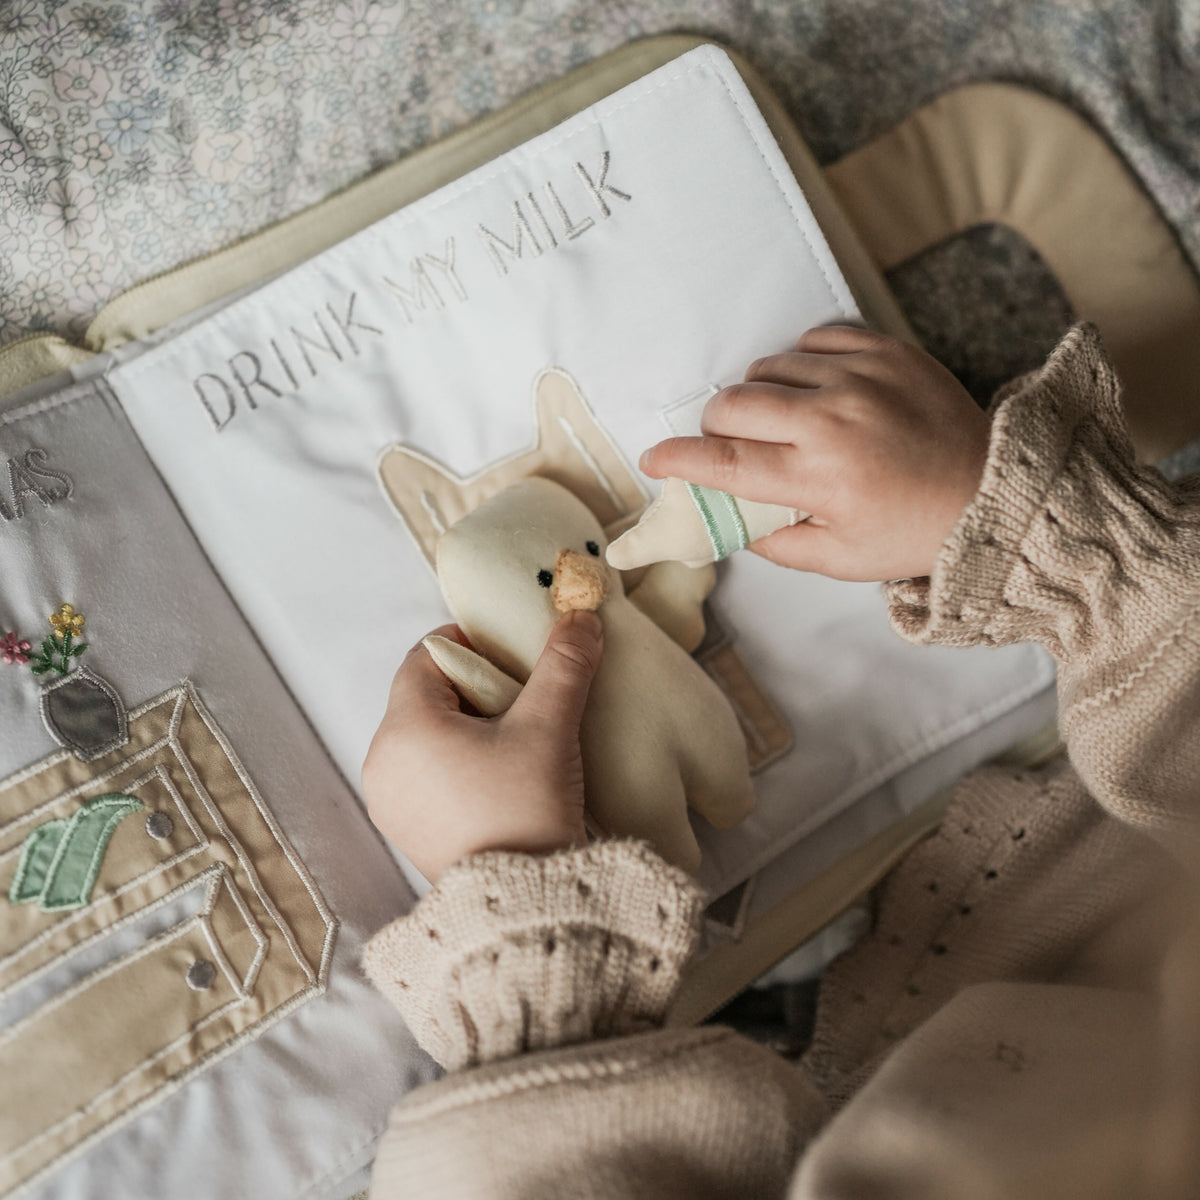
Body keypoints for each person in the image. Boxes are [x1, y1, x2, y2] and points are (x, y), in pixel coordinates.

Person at [360, 323, 1200, 1198]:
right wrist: (1044, 539)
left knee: (712, 781)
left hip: (814, 1008)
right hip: (1097, 878)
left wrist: (514, 907)